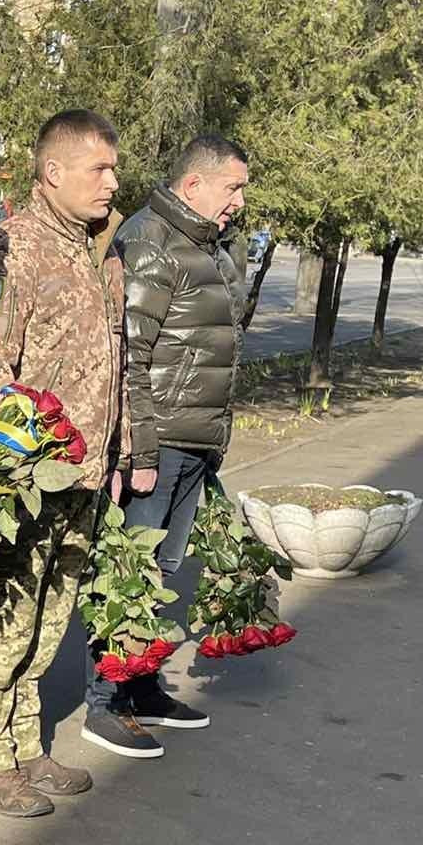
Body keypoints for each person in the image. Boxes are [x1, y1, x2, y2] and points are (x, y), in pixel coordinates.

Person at [0, 109, 131, 818]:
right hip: (31, 481)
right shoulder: (13, 250)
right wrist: (12, 473)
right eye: (99, 169)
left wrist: (111, 455)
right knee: (4, 618)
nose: (112, 183)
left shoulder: (96, 251)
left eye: (113, 169)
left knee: (48, 621)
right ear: (53, 172)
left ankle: (25, 747)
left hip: (84, 478)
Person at [79, 134, 249, 760]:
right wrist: (140, 450)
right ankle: (103, 701)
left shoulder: (214, 248)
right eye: (231, 187)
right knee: (131, 569)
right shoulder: (152, 240)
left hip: (198, 439)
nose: (237, 201)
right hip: (161, 440)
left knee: (166, 575)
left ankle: (142, 688)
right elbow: (132, 353)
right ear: (195, 185)